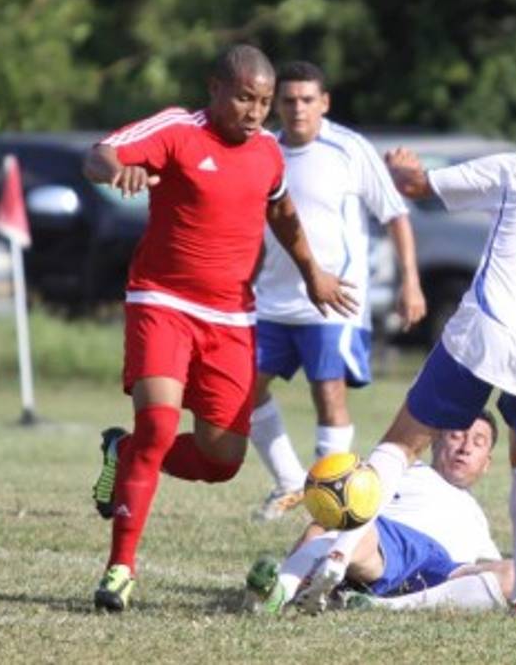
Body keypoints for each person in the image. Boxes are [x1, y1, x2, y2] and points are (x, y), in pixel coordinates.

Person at [263, 81, 516, 618]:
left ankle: (341, 550)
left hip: (486, 328)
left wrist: (403, 171)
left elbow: (421, 187)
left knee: (401, 444)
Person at [82, 45, 359, 613]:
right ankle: (119, 570)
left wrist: (313, 274)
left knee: (221, 461)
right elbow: (99, 154)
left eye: (263, 101)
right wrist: (119, 170)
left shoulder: (268, 155)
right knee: (159, 424)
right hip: (162, 300)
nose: (256, 112)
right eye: (244, 98)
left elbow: (281, 214)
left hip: (232, 316)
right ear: (214, 89)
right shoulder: (179, 129)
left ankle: (123, 451)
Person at [249, 60, 426, 521]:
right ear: (274, 105)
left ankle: (326, 497)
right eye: (287, 101)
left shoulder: (349, 148)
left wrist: (411, 281)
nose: (297, 109)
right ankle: (290, 483)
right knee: (242, 391)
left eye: (307, 100)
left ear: (324, 103)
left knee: (328, 394)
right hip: (271, 298)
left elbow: (394, 214)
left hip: (334, 302)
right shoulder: (263, 148)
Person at [245, 411, 516, 614]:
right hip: (391, 544)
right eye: (458, 435)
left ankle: (379, 607)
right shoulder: (405, 470)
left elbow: (496, 569)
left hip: (441, 570)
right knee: (343, 533)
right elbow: (338, 514)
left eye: (478, 442)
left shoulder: (477, 517)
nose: (466, 447)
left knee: (512, 573)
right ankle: (282, 592)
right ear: (436, 442)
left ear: (486, 464)